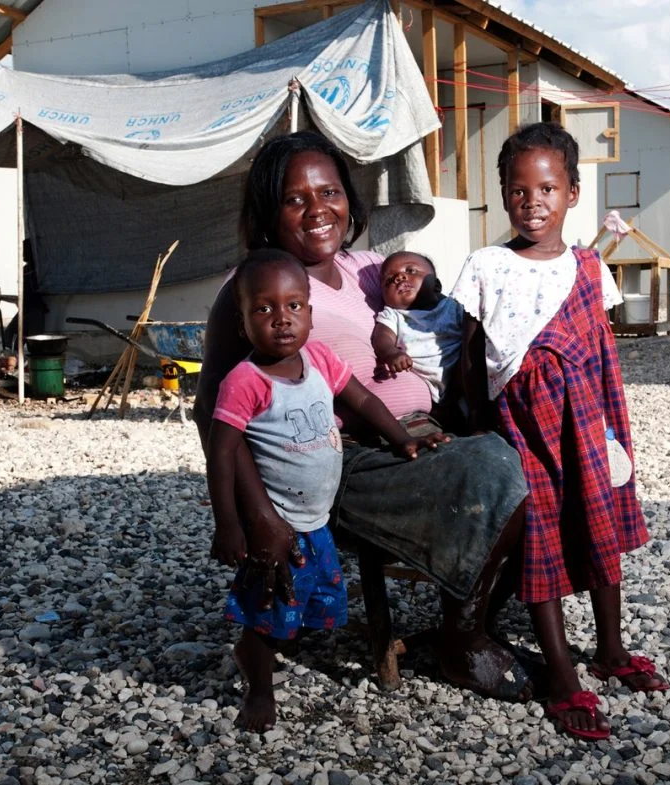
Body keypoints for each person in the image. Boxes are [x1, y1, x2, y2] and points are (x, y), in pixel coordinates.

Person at [195, 132, 532, 704]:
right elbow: (214, 412)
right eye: (295, 198)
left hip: (416, 438)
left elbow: (443, 316)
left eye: (329, 191)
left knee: (537, 457)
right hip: (342, 458)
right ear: (268, 211)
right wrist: (257, 516)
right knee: (492, 470)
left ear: (350, 199)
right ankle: (463, 637)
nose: (318, 209)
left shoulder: (371, 267)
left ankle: (479, 611)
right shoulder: (256, 288)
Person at [453, 122, 668, 741]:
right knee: (544, 536)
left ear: (572, 193)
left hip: (585, 421)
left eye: (547, 188)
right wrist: (475, 424)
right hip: (522, 428)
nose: (532, 202)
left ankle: (611, 649)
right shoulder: (487, 266)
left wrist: (609, 431)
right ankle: (561, 673)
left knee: (597, 526)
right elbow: (468, 356)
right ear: (503, 195)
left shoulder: (588, 267)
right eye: (518, 191)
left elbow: (600, 351)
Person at [210, 248, 447, 731]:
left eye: (294, 306)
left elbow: (361, 397)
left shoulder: (317, 358)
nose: (282, 319)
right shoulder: (245, 382)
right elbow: (221, 454)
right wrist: (231, 525)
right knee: (267, 615)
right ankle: (257, 682)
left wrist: (401, 437)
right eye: (265, 309)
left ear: (311, 313)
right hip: (276, 525)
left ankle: (278, 640)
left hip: (317, 520)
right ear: (242, 322)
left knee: (307, 604)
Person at [370, 251, 464, 418]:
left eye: (411, 271)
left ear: (436, 285)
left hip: (462, 378)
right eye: (389, 280)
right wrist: (390, 352)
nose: (399, 278)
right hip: (426, 386)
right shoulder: (394, 315)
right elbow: (382, 336)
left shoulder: (453, 307)